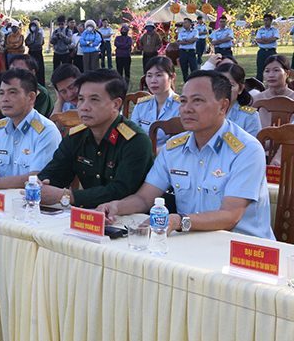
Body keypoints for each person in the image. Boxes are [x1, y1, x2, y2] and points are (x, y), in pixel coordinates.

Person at [96, 70, 274, 241]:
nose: (186, 109)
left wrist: (179, 221)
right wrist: (116, 206)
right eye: (183, 101)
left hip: (243, 250)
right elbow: (145, 197)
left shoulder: (246, 150)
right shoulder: (174, 148)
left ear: (223, 106)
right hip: (191, 241)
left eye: (197, 101)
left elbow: (230, 216)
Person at [37, 69, 155, 209]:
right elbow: (55, 173)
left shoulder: (135, 141)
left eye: (94, 100)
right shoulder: (76, 137)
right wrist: (39, 185)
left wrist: (66, 196)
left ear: (116, 105)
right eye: (81, 99)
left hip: (127, 219)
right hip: (88, 216)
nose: (83, 107)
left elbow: (119, 191)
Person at [130, 56, 181, 149]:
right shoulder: (142, 104)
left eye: (159, 75)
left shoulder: (181, 106)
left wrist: (156, 153)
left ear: (172, 77)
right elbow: (132, 134)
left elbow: (185, 139)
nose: (153, 81)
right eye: (149, 76)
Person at [252, 54, 294, 129]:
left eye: (276, 70)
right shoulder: (256, 99)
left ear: (287, 73)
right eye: (267, 71)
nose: (271, 75)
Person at [254, 14, 279, 81]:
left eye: (267, 20)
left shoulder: (274, 30)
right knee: (260, 69)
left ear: (271, 21)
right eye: (264, 20)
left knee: (273, 68)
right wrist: (269, 40)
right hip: (262, 51)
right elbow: (258, 40)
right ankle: (259, 86)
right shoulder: (260, 30)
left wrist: (264, 39)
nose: (266, 22)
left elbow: (274, 39)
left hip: (271, 51)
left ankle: (273, 83)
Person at [25, 18, 46, 85]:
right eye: (31, 26)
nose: (33, 28)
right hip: (31, 52)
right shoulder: (30, 35)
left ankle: (40, 82)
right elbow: (26, 42)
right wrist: (32, 43)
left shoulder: (40, 34)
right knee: (31, 67)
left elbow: (39, 43)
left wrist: (31, 44)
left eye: (34, 26)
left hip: (38, 52)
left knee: (39, 68)